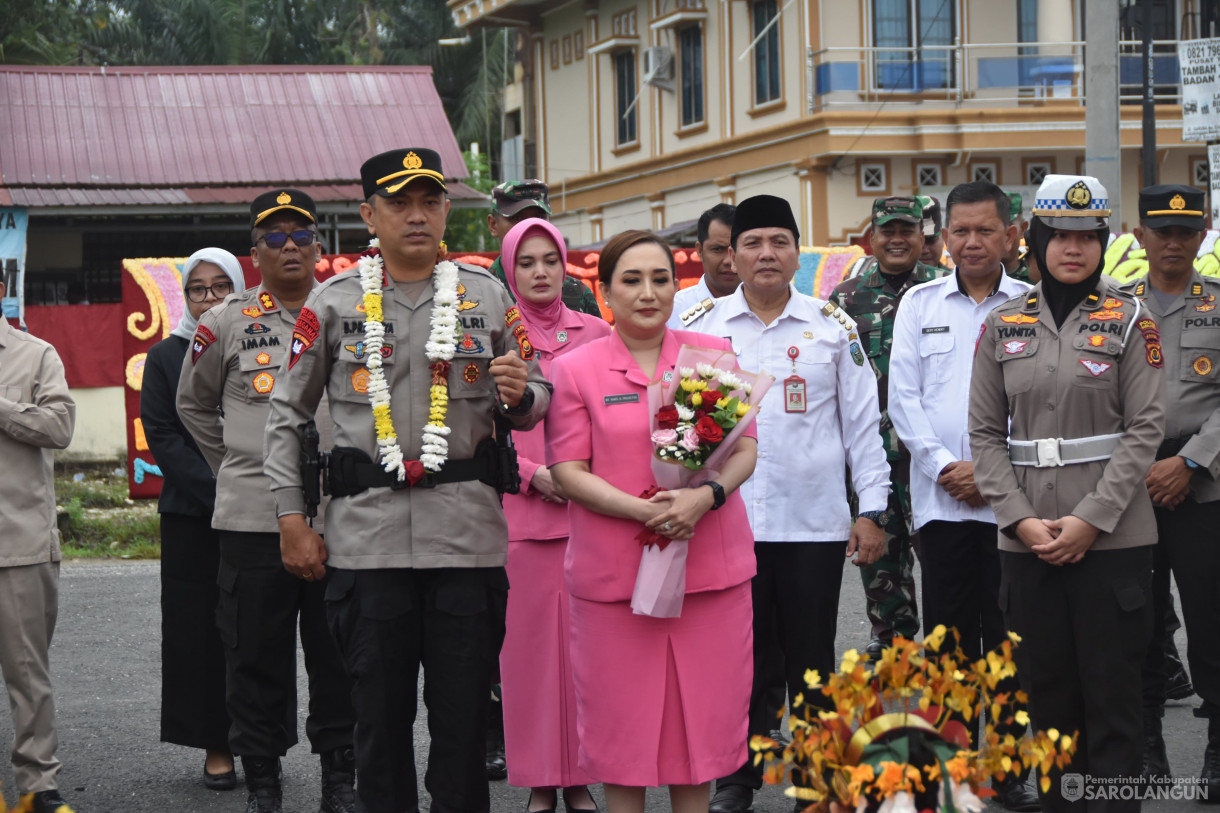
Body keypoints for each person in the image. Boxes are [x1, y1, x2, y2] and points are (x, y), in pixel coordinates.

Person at [262, 148, 552, 813]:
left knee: (462, 731)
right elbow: (285, 414)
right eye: (399, 203)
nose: (417, 216)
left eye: (430, 201)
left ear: (447, 209)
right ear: (370, 214)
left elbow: (534, 396)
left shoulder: (487, 294)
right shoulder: (333, 303)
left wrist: (521, 395)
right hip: (368, 548)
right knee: (379, 730)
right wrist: (289, 518)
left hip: (466, 545)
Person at [684, 195, 890, 813]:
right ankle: (737, 776)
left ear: (797, 253)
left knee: (810, 654)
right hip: (727, 521)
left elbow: (863, 427)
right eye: (752, 243)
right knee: (740, 656)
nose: (766, 253)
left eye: (778, 241)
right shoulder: (701, 327)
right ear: (731, 255)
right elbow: (685, 432)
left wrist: (872, 510)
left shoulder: (832, 326)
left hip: (812, 523)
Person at [970, 174, 1165, 812]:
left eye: (1087, 237)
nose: (1073, 249)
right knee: (1047, 700)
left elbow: (1145, 430)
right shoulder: (1003, 324)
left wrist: (1091, 520)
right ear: (1036, 241)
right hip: (1028, 543)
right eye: (1061, 236)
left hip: (1112, 542)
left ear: (1102, 243)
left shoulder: (1132, 319)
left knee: (1112, 700)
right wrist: (1021, 523)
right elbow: (984, 435)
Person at [546, 228, 758, 813]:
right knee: (624, 736)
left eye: (660, 279)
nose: (648, 292)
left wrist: (703, 497)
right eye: (631, 280)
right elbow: (567, 469)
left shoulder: (710, 356)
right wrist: (643, 511)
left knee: (703, 735)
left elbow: (744, 451)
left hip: (708, 577)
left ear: (676, 286)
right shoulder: (576, 369)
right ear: (606, 292)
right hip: (614, 579)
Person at [177, 189, 355, 813]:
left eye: (300, 236)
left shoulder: (349, 312)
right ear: (254, 253)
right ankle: (263, 785)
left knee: (339, 657)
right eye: (274, 237)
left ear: (318, 247)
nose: (288, 247)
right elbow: (193, 405)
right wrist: (237, 466)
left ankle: (340, 779)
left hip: (343, 513)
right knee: (254, 658)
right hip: (253, 517)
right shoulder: (223, 321)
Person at [888, 181, 1037, 811]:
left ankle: (1006, 771)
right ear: (942, 237)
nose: (972, 242)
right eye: (960, 231)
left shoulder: (1034, 304)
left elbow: (1042, 402)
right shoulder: (920, 304)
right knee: (946, 639)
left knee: (1009, 638)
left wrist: (993, 473)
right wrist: (951, 466)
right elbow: (903, 400)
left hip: (1017, 508)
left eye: (985, 230)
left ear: (1012, 234)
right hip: (942, 503)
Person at [497, 217, 610, 812]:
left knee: (587, 658)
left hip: (590, 518)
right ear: (509, 269)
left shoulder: (594, 333)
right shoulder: (496, 334)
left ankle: (582, 778)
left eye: (550, 261)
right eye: (526, 262)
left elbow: (615, 416)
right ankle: (543, 779)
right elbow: (479, 426)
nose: (540, 272)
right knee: (532, 662)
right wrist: (530, 474)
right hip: (525, 521)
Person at [1121, 184, 1220, 792]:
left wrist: (1189, 463)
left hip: (1205, 482)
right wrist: (1143, 468)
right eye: (1163, 231)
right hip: (1131, 484)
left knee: (1211, 620)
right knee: (1139, 622)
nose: (1174, 242)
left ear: (1203, 235)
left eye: (1186, 231)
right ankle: (1146, 746)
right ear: (1140, 236)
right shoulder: (1114, 307)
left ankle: (1215, 750)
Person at [140, 248, 243, 790]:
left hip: (257, 514)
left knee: (254, 631)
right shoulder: (165, 356)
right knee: (199, 633)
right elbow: (164, 437)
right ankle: (216, 745)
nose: (208, 299)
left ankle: (262, 743)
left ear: (239, 287)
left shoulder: (258, 344)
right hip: (192, 516)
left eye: (220, 287)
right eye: (198, 289)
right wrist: (223, 492)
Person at [831, 196, 944, 660]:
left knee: (941, 553)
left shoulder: (945, 289)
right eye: (887, 232)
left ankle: (945, 640)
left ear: (923, 237)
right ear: (871, 238)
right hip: (874, 452)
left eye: (907, 231)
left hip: (933, 454)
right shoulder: (844, 299)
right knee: (881, 555)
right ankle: (893, 639)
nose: (897, 240)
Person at [0, 278, 76, 813]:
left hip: (17, 542)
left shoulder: (35, 355)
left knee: (29, 674)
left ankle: (37, 787)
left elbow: (60, 425)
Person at [488, 179, 602, 319]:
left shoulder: (575, 292)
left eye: (539, 217)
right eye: (517, 218)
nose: (530, 225)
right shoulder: (482, 292)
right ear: (493, 225)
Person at [668, 203, 738, 329]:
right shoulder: (672, 310)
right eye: (717, 249)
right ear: (700, 251)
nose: (728, 260)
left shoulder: (769, 306)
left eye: (736, 250)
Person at [1004, 192, 1036, 284]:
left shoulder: (1036, 279)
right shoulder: (968, 279)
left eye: (1009, 227)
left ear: (1023, 229)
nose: (1002, 234)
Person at [917, 195, 950, 271]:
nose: (924, 250)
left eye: (930, 240)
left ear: (944, 237)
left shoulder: (956, 281)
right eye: (917, 241)